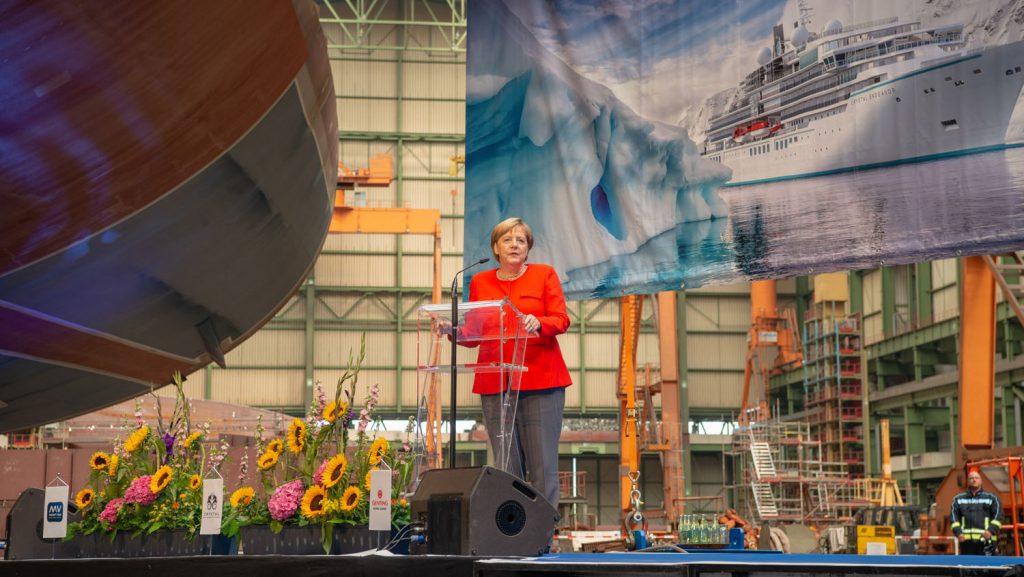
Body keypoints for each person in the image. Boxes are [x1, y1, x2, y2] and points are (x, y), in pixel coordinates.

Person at [467, 217, 571, 508]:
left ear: (528, 249)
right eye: (507, 240)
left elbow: (561, 319)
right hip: (495, 383)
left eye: (521, 240)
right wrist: (449, 331)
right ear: (496, 248)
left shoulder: (544, 275)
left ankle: (542, 538)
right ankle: (512, 533)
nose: (514, 245)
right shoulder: (479, 281)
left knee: (542, 467)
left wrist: (540, 322)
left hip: (541, 381)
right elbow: (474, 334)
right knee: (506, 468)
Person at [950, 468, 1002, 555]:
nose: (974, 480)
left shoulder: (991, 498)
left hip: (986, 542)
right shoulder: (958, 499)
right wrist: (958, 533)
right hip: (966, 543)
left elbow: (998, 516)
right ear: (968, 481)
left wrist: (990, 531)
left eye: (976, 478)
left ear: (981, 481)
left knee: (987, 568)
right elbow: (953, 518)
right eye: (971, 478)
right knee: (968, 568)